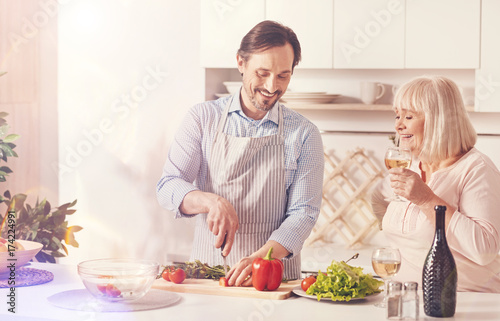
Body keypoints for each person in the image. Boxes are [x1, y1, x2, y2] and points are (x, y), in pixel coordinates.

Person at [156, 20, 324, 286]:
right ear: (241, 63)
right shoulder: (202, 119)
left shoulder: (304, 133)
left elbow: (303, 212)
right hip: (209, 277)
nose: (272, 86)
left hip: (273, 280)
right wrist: (211, 202)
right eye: (262, 72)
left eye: (283, 75)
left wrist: (260, 260)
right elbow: (168, 186)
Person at [371, 75, 500, 292]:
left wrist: (426, 199)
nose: (399, 125)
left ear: (438, 120)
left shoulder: (476, 168)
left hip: (464, 303)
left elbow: (484, 251)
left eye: (409, 116)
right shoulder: (411, 165)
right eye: (397, 115)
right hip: (410, 300)